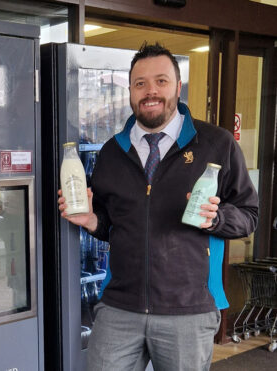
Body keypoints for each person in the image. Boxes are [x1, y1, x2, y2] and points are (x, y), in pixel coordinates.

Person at [58, 42, 259, 371]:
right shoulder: (111, 153)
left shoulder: (217, 144)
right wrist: (92, 220)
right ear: (130, 92)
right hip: (120, 308)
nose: (150, 91)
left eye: (161, 81)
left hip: (188, 311)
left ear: (178, 87)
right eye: (140, 84)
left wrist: (216, 218)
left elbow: (249, 216)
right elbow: (114, 225)